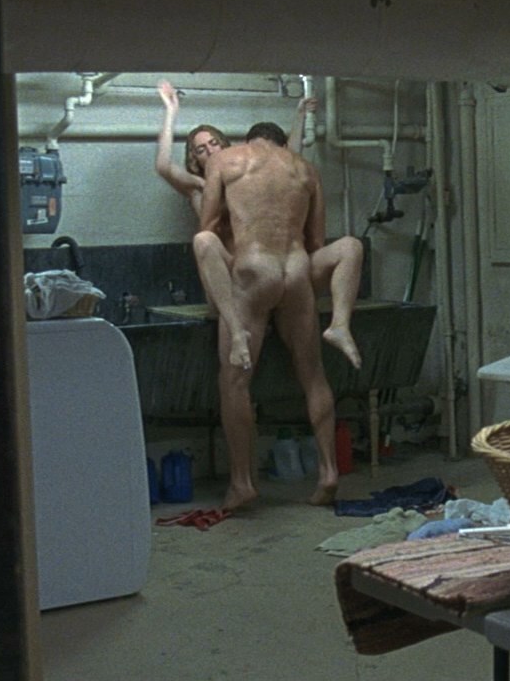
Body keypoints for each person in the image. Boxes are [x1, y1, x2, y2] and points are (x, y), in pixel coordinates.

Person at [155, 80, 363, 368]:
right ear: (194, 158)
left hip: (269, 274)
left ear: (225, 145)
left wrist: (299, 115)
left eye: (214, 143)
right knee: (206, 241)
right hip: (230, 280)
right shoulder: (197, 187)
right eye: (200, 149)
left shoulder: (244, 178)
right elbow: (164, 166)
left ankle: (339, 326)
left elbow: (289, 160)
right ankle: (238, 330)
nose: (210, 151)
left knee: (348, 248)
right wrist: (171, 111)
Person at [199, 121, 341, 509]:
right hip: (294, 270)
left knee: (234, 381)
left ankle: (242, 483)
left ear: (250, 140)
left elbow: (207, 225)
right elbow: (316, 240)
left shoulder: (227, 160)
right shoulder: (305, 169)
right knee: (314, 375)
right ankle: (329, 473)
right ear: (281, 143)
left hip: (252, 271)